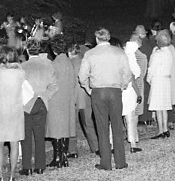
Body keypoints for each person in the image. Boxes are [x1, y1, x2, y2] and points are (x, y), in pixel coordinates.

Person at [78, 27, 132, 171]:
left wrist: (88, 89)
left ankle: (106, 162)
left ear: (96, 39)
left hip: (98, 91)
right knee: (117, 126)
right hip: (115, 91)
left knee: (102, 128)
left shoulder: (90, 54)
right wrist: (122, 86)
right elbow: (128, 73)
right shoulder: (119, 52)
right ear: (108, 38)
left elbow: (82, 76)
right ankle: (120, 161)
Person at [0, 48, 28, 181]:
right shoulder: (21, 72)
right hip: (15, 109)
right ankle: (12, 174)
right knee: (14, 142)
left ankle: (0, 174)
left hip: (0, 109)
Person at [20, 42, 57, 175]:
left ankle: (27, 166)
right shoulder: (47, 65)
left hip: (27, 103)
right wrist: (45, 96)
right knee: (40, 135)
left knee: (26, 136)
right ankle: (40, 165)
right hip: (42, 102)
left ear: (27, 51)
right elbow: (54, 86)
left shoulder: (23, 67)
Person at [48, 37, 78, 168]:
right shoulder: (69, 62)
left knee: (56, 129)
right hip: (68, 98)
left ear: (54, 49)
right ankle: (64, 156)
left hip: (56, 99)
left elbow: (50, 83)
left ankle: (58, 157)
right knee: (65, 128)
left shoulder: (54, 64)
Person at [147, 30, 175, 139]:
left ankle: (160, 131)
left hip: (158, 80)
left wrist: (149, 79)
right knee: (164, 106)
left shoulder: (157, 54)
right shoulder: (169, 52)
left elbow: (151, 68)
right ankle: (165, 129)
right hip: (166, 80)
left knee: (158, 107)